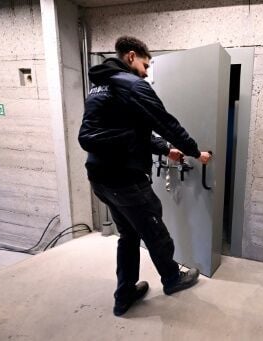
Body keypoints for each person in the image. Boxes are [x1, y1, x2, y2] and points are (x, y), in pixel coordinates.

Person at [78, 36, 212, 316]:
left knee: (128, 235)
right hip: (125, 179)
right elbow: (166, 122)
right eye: (146, 63)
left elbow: (131, 131)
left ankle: (124, 294)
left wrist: (166, 149)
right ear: (130, 56)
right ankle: (173, 279)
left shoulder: (98, 88)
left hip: (100, 179)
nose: (148, 71)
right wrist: (193, 152)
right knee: (155, 232)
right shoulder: (133, 85)